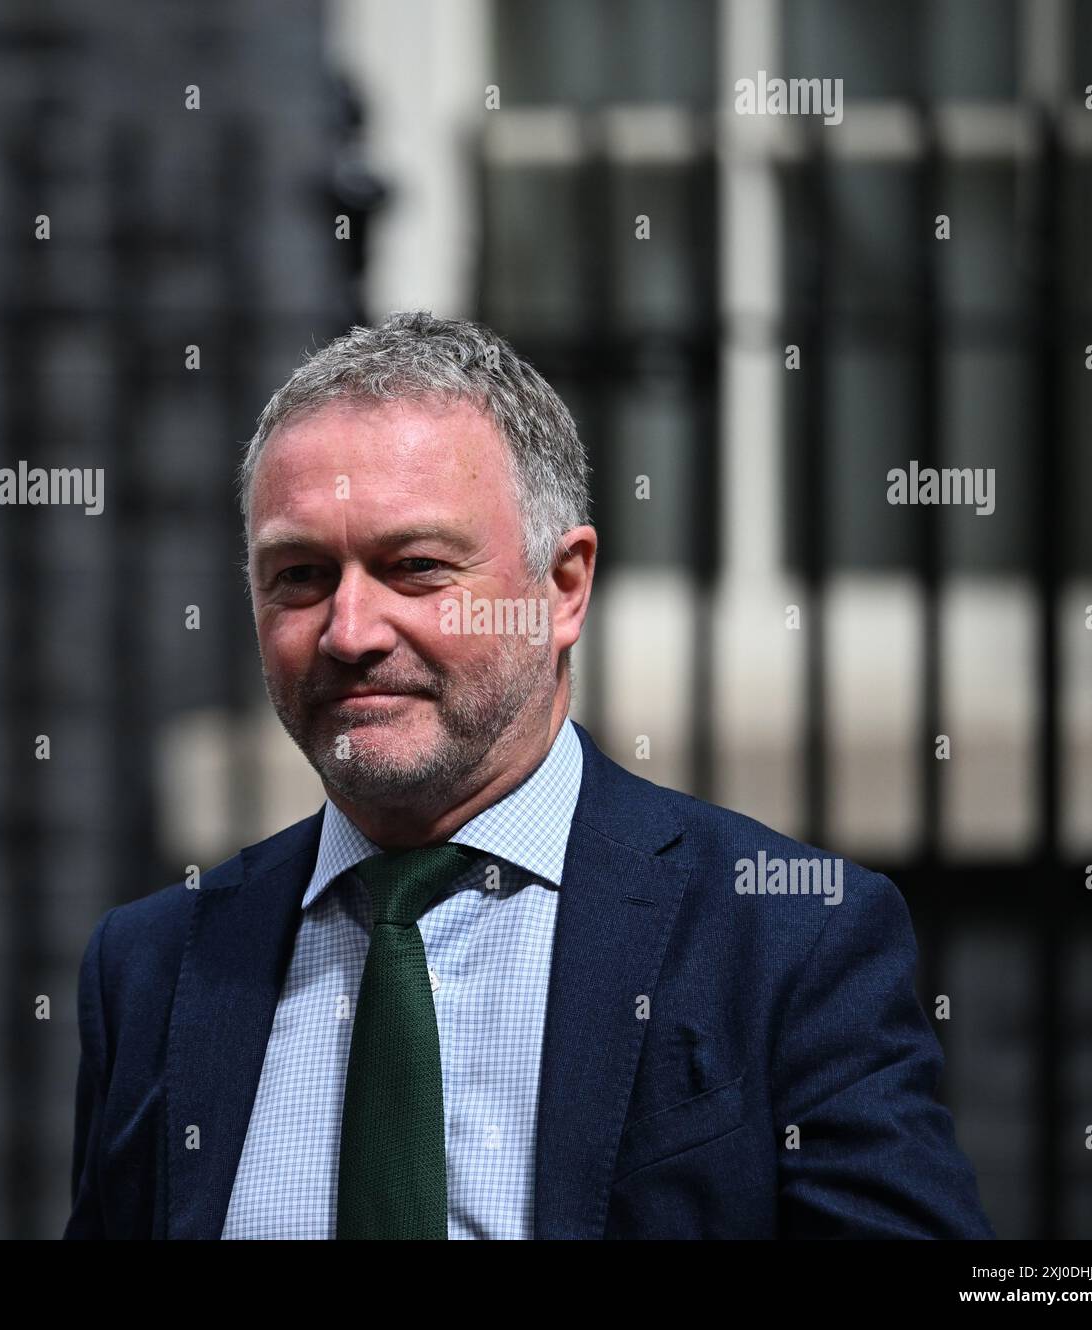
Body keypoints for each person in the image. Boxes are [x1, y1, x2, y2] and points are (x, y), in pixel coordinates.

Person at [63, 310, 994, 1240]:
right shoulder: (152, 970)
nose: (350, 631)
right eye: (300, 575)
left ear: (563, 588)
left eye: (416, 567)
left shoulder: (786, 940)